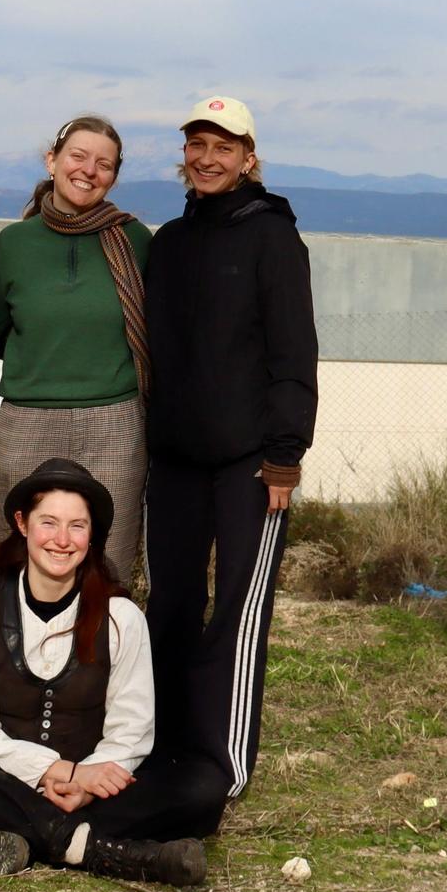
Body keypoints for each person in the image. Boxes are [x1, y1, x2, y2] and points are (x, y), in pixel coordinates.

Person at [0, 458, 226, 885]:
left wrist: (87, 780)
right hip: (4, 782)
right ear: (22, 524)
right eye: (48, 522)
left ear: (92, 537)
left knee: (203, 786)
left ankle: (23, 836)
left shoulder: (121, 617)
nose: (62, 540)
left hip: (91, 792)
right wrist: (59, 772)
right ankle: (98, 851)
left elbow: (131, 730)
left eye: (77, 527)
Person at [143, 95, 317, 799]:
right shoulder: (171, 242)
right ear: (184, 156)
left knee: (237, 612)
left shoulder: (273, 237)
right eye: (197, 145)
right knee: (172, 605)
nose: (208, 159)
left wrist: (284, 453)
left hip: (251, 463)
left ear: (249, 158)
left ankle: (225, 764)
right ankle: (163, 744)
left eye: (224, 147)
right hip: (175, 459)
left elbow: (294, 351)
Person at [0, 116, 153, 582]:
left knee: (110, 560)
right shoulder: (13, 243)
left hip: (115, 420)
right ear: (53, 160)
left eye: (104, 164)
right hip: (27, 419)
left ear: (114, 176)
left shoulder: (136, 241)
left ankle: (99, 653)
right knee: (20, 556)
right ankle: (17, 652)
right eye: (78, 156)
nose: (88, 170)